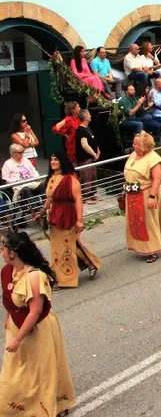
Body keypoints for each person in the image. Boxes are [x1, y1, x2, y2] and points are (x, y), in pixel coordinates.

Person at [0, 232, 76, 416]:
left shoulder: (34, 277)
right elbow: (10, 301)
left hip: (38, 329)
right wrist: (9, 319)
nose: (0, 252)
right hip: (16, 327)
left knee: (43, 369)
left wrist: (17, 339)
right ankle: (19, 406)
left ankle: (54, 405)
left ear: (12, 253)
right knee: (16, 370)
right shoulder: (6, 272)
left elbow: (34, 312)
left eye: (2, 248)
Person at [38, 152, 102, 287]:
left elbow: (78, 199)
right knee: (57, 247)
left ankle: (67, 278)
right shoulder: (51, 178)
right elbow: (49, 198)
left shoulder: (71, 179)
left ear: (62, 161)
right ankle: (65, 274)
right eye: (51, 159)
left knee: (69, 245)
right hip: (54, 217)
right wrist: (42, 211)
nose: (53, 162)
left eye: (56, 159)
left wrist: (79, 220)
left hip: (67, 215)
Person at [123, 131, 161, 263]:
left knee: (148, 222)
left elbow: (157, 178)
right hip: (132, 194)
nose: (133, 145)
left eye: (136, 143)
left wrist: (152, 197)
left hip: (146, 193)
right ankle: (139, 247)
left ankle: (153, 249)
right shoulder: (133, 155)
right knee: (135, 222)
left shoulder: (153, 158)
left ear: (144, 145)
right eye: (134, 142)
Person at [74, 109, 100, 203]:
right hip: (85, 158)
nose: (90, 116)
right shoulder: (80, 130)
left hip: (92, 157)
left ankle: (92, 194)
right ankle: (85, 197)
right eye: (89, 114)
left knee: (93, 175)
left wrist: (98, 150)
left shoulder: (88, 128)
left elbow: (93, 141)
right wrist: (93, 153)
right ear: (85, 117)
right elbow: (85, 145)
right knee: (86, 177)